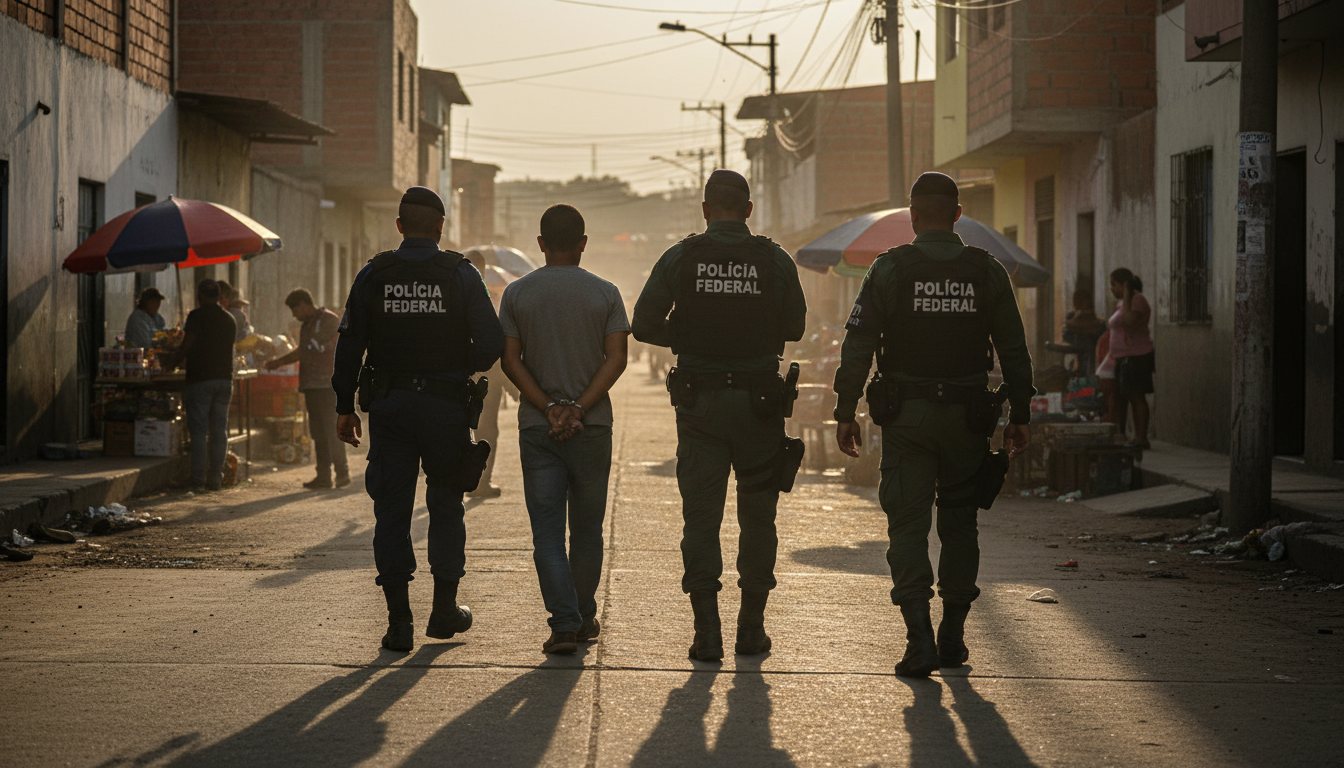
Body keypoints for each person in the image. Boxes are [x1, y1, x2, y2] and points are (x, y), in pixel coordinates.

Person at [831, 172, 1034, 678]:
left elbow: (858, 345)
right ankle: (953, 636)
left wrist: (846, 410)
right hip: (968, 419)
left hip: (908, 420)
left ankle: (919, 638)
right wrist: (1021, 416)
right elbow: (1014, 349)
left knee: (907, 524)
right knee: (960, 524)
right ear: (958, 215)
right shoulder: (987, 271)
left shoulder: (889, 268)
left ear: (914, 216)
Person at [632, 169, 807, 662]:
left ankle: (707, 634)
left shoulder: (681, 257)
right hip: (759, 408)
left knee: (701, 520)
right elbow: (796, 325)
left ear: (706, 210)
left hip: (701, 407)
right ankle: (751, 630)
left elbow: (642, 325)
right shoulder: (774, 259)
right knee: (759, 519)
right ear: (748, 210)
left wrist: (689, 337)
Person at [331, 186, 504, 654]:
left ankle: (399, 624)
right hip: (445, 408)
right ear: (441, 227)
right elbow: (492, 343)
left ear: (400, 226)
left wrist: (344, 406)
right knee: (446, 504)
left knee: (392, 510)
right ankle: (444, 612)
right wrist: (458, 366)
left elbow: (349, 344)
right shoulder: (461, 274)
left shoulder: (375, 273)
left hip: (390, 408)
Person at [500, 204, 630, 655]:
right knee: (588, 531)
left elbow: (510, 360)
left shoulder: (517, 293)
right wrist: (578, 407)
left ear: (540, 243)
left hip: (539, 430)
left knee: (548, 533)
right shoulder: (606, 293)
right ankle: (584, 614)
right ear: (583, 243)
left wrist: (550, 407)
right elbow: (617, 358)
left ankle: (564, 624)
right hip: (592, 428)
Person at [265, 288, 349, 489]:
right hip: (311, 386)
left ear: (303, 305)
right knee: (318, 433)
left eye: (295, 310)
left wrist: (326, 348)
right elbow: (301, 352)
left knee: (332, 430)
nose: (294, 315)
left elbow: (342, 341)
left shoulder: (328, 319)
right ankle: (323, 476)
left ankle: (342, 473)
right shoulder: (306, 326)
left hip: (328, 385)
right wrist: (279, 362)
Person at [165, 279, 236, 490]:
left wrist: (172, 362)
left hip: (200, 380)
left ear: (200, 296)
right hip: (224, 381)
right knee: (219, 431)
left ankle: (197, 480)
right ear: (219, 296)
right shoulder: (229, 319)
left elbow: (188, 344)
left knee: (198, 432)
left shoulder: (196, 316)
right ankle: (215, 479)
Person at [464, 250, 505, 499]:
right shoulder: (490, 299)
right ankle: (481, 481)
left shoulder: (451, 294)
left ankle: (463, 480)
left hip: (458, 376)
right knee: (487, 430)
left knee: (459, 428)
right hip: (488, 378)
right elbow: (498, 342)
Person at [1106, 267, 1154, 448]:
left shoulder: (1137, 301)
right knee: (1121, 398)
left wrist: (1127, 295)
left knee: (1136, 396)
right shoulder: (1121, 304)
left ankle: (1141, 437)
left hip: (1137, 357)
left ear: (1125, 285)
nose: (1112, 289)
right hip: (1122, 357)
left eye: (1114, 285)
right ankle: (1122, 435)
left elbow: (1128, 321)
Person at [1062, 287, 1106, 375]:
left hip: (1090, 355)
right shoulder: (1072, 316)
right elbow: (1066, 334)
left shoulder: (1095, 321)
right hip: (1081, 354)